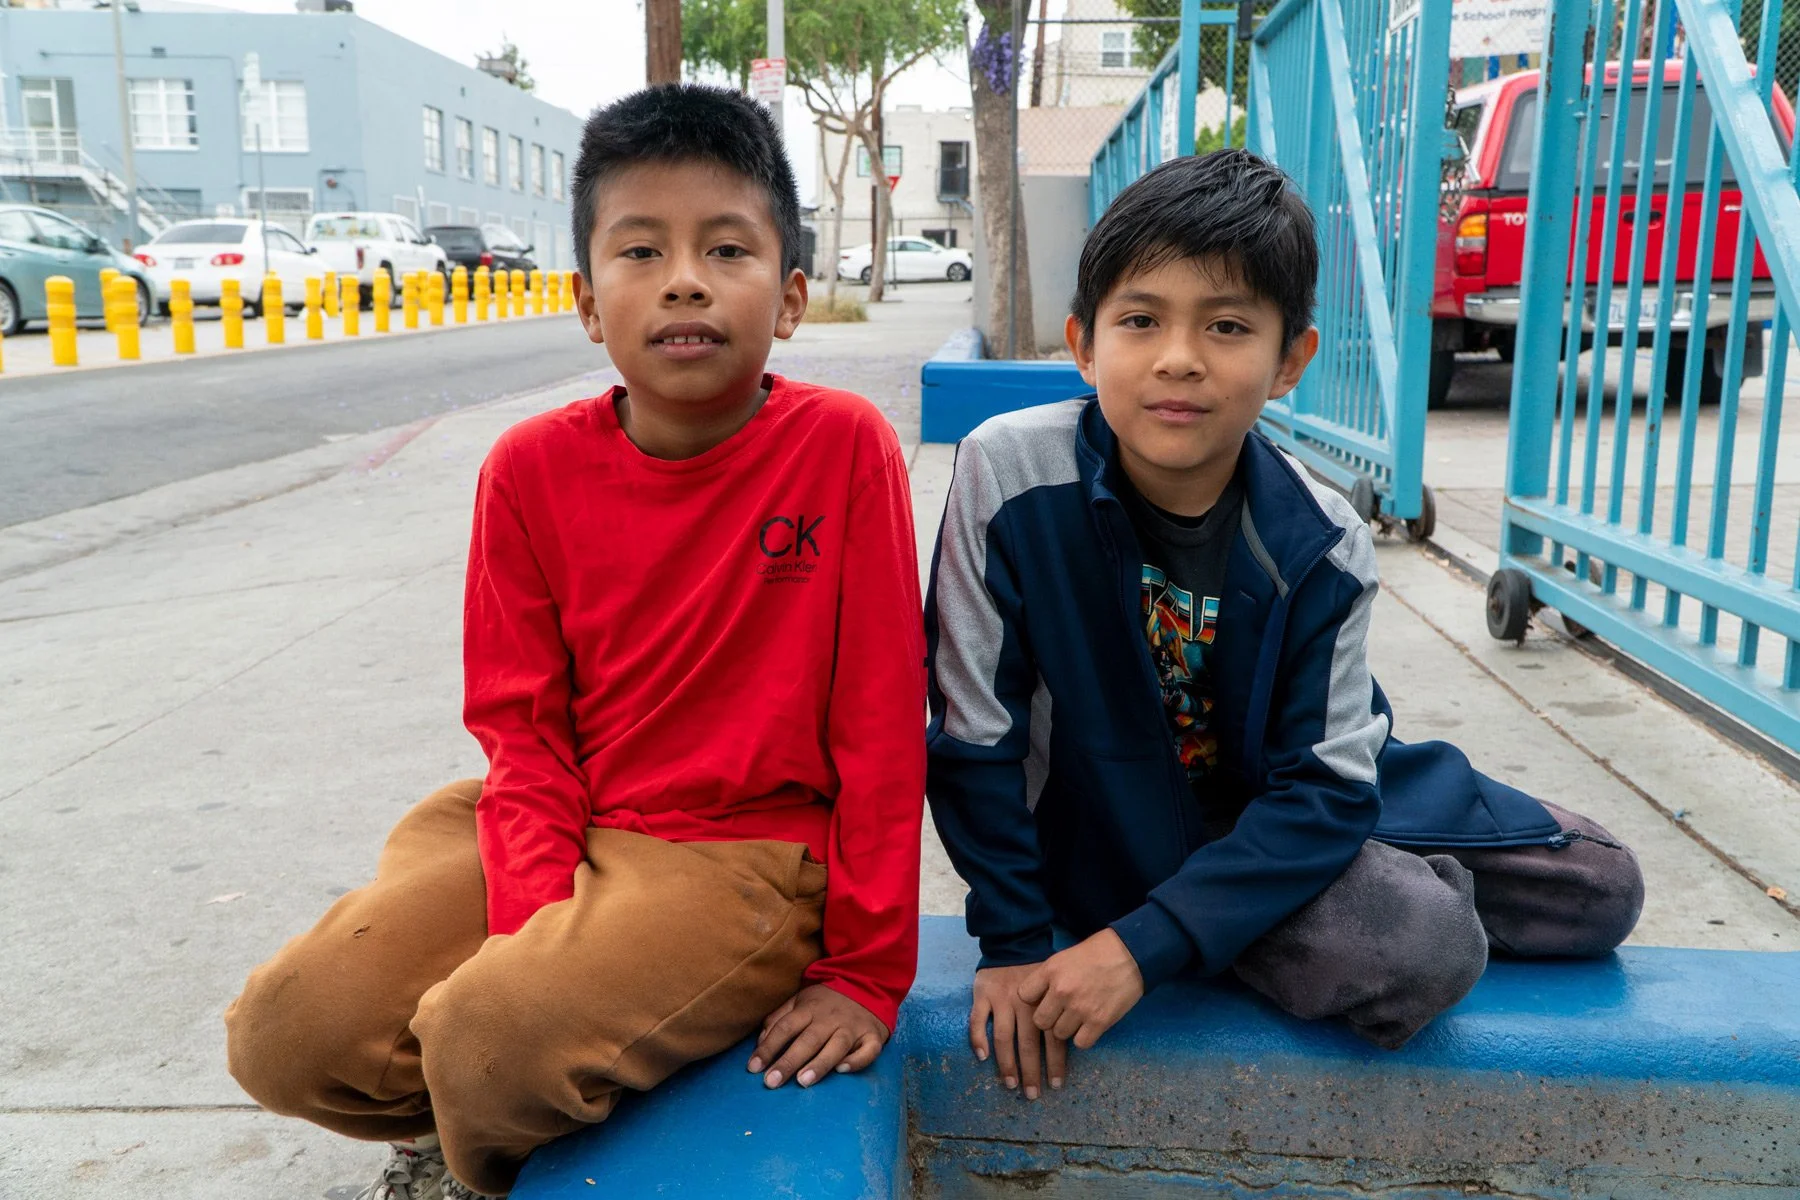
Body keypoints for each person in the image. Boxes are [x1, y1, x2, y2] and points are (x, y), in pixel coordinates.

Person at [225, 84, 926, 1200]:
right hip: (558, 815)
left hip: (744, 857)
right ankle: (515, 1096)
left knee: (491, 1041)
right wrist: (542, 924)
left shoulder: (841, 451)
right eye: (640, 249)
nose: (684, 277)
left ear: (791, 297)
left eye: (726, 248)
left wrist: (868, 971)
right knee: (291, 1030)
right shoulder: (528, 472)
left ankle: (490, 1156)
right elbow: (522, 729)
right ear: (591, 305)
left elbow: (885, 725)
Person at [924, 149, 1644, 1100]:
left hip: (1283, 808)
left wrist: (1144, 949)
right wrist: (1019, 943)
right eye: (1141, 320)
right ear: (1085, 343)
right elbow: (973, 736)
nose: (1179, 357)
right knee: (1426, 949)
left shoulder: (1322, 534)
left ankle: (1333, 877)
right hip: (1102, 838)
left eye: (1227, 326)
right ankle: (1299, 897)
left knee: (1600, 889)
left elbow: (1328, 787)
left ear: (1289, 361)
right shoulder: (1009, 473)